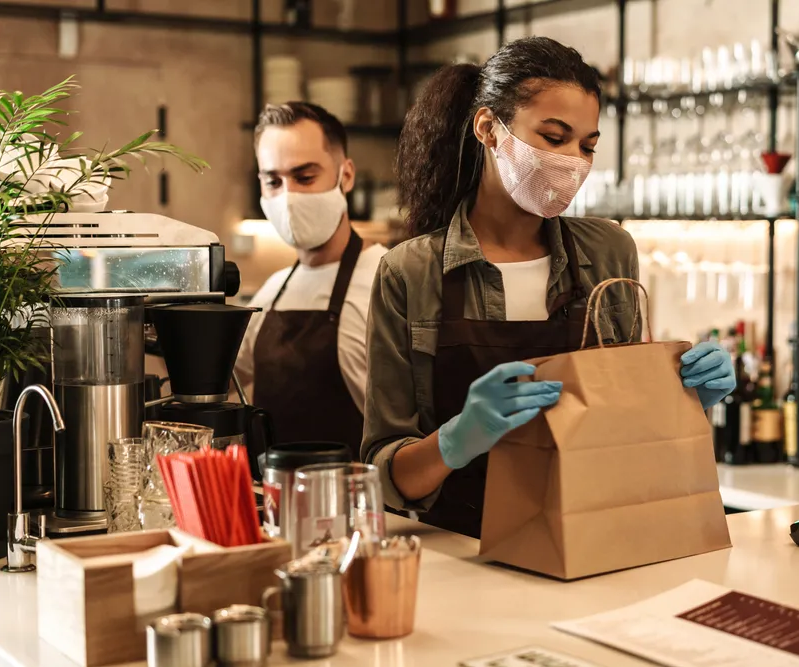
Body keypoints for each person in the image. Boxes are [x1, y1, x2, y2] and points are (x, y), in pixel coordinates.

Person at [360, 37, 735, 538]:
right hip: (462, 555)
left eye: (587, 145)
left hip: (594, 538)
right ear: (489, 129)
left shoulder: (609, 252)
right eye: (554, 137)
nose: (573, 161)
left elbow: (630, 431)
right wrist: (457, 438)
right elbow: (385, 477)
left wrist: (684, 395)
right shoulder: (410, 272)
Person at [235, 102, 387, 452]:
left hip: (355, 501)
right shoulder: (271, 293)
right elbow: (226, 381)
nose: (288, 197)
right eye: (273, 181)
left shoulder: (387, 281)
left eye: (305, 177)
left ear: (345, 176)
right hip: (274, 499)